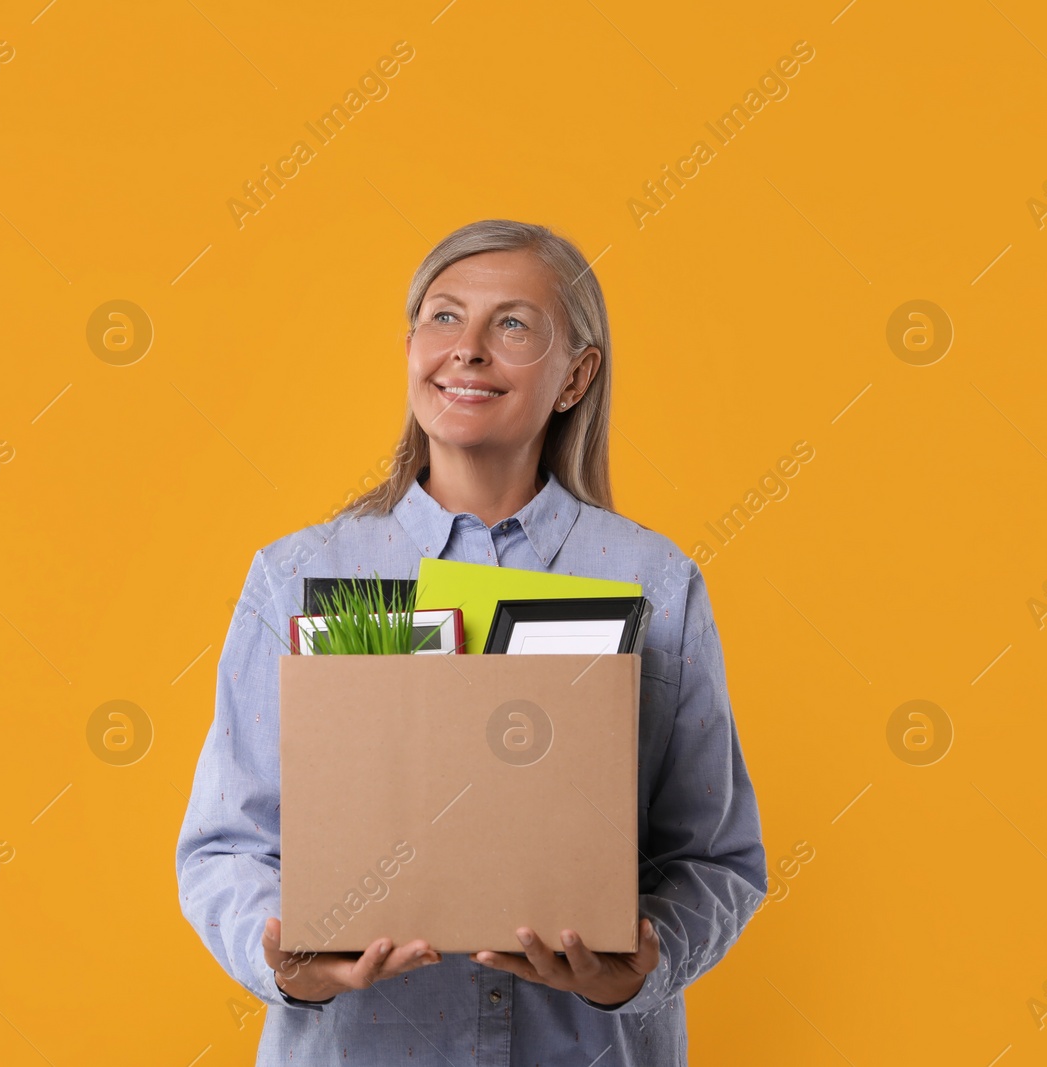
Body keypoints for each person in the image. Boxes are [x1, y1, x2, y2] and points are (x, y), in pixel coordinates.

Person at [175, 219, 766, 1065]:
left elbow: (715, 856)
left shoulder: (656, 581)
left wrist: (643, 964)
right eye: (443, 317)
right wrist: (287, 962)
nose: (469, 350)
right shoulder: (296, 575)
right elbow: (227, 843)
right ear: (411, 346)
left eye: (514, 325)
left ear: (576, 376)